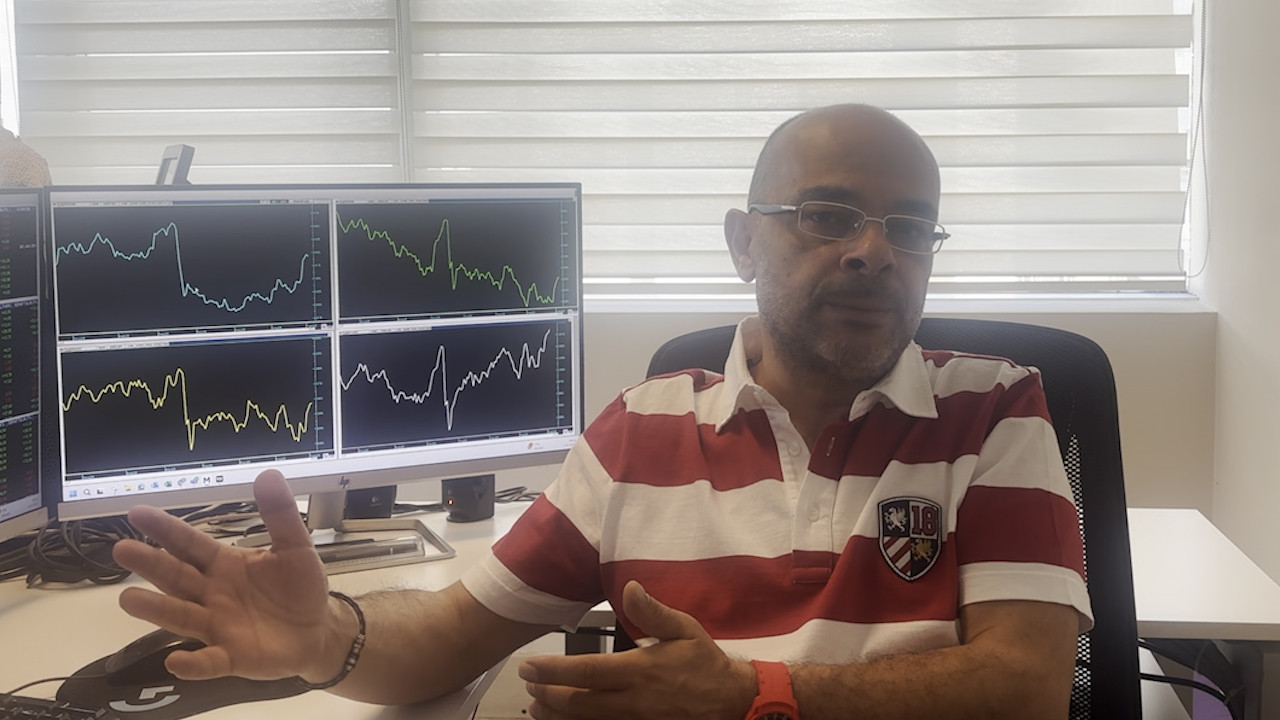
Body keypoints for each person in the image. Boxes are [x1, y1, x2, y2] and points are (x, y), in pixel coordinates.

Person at [113, 104, 1091, 720]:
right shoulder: (637, 432)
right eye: (827, 215)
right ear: (742, 243)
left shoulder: (994, 408)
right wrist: (327, 638)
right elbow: (453, 633)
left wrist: (750, 696)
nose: (874, 250)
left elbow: (1028, 686)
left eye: (909, 228)